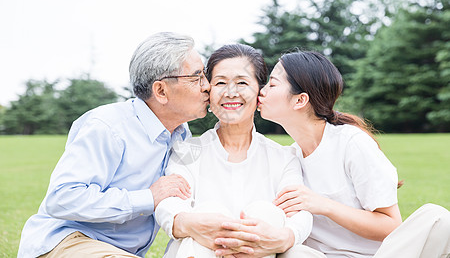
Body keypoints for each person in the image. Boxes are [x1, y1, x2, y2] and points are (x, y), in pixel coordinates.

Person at [18, 32, 211, 258]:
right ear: (161, 91)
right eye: (196, 77)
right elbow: (62, 198)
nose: (207, 85)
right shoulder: (108, 127)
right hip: (70, 240)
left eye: (204, 75)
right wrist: (148, 197)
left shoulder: (180, 133)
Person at [253, 50, 450, 258]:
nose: (261, 91)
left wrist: (323, 205)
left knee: (436, 217)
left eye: (272, 84)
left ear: (300, 100)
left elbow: (391, 225)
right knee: (292, 253)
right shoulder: (288, 158)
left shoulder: (351, 143)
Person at [155, 44, 321, 258]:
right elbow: (170, 203)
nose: (230, 93)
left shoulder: (283, 156)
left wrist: (285, 237)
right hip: (203, 250)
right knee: (205, 217)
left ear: (260, 92)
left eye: (242, 82)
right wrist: (194, 224)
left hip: (264, 252)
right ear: (208, 91)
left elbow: (298, 212)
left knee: (282, 232)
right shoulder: (188, 151)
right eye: (221, 83)